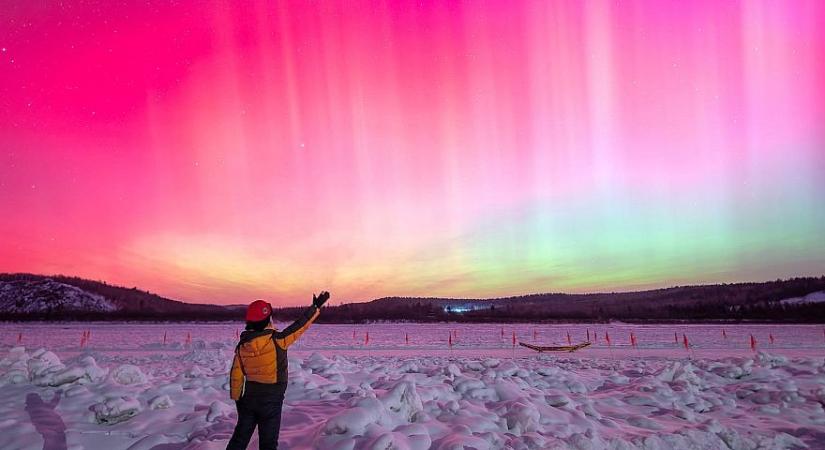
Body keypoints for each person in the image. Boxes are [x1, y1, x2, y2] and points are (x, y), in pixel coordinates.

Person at [226, 291, 329, 450]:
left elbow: (236, 374)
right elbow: (299, 326)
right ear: (268, 319)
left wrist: (238, 399)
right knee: (268, 443)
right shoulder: (278, 340)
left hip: (249, 398)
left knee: (239, 439)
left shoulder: (242, 346)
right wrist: (315, 308)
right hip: (272, 400)